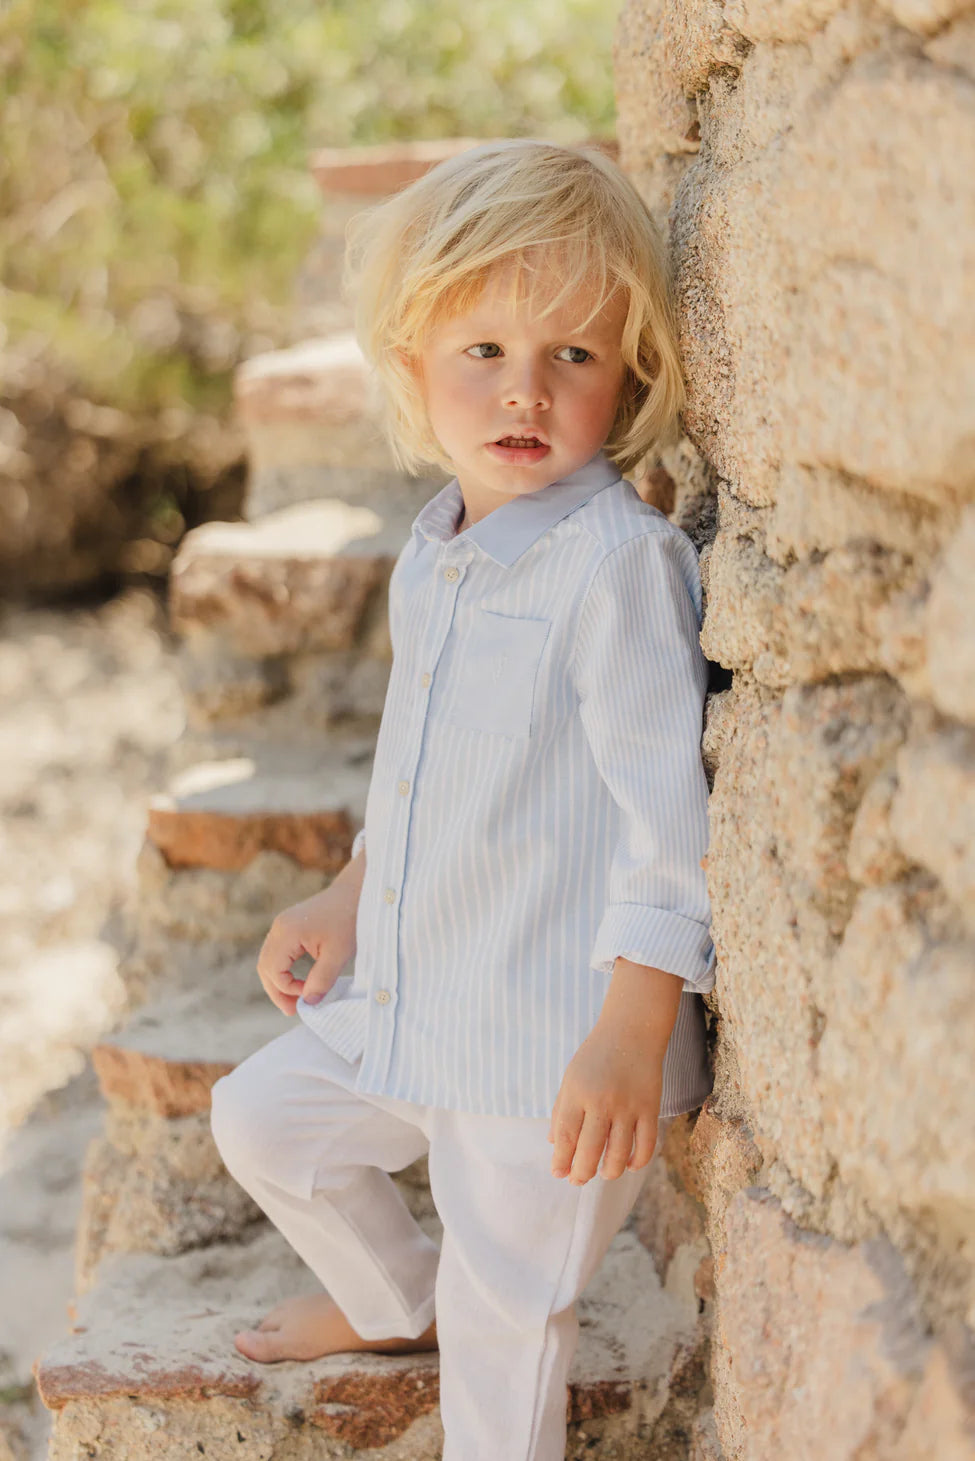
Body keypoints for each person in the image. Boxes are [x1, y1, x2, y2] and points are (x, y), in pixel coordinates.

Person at [210, 137, 715, 1461]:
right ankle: (391, 1299)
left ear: (633, 375)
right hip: (429, 996)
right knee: (260, 1115)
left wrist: (632, 1023)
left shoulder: (616, 567)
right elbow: (422, 776)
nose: (524, 391)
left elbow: (669, 817)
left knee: (510, 1321)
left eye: (573, 356)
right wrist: (349, 891)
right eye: (483, 349)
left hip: (550, 1042)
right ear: (411, 359)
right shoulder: (437, 554)